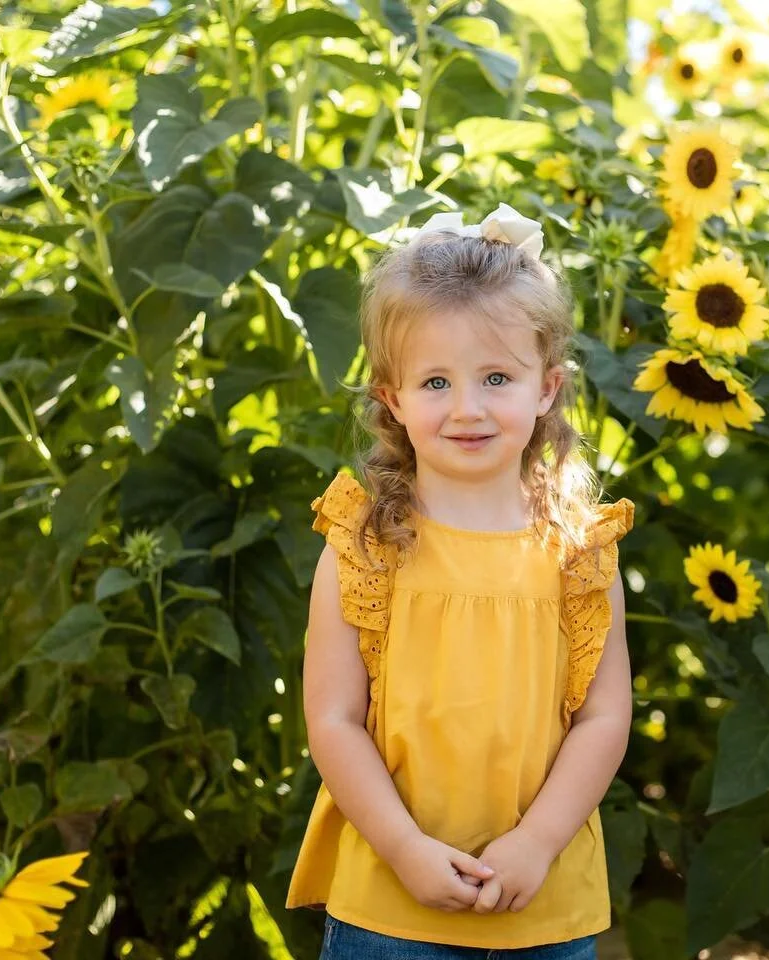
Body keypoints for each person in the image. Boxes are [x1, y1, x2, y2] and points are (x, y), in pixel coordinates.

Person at [284, 203, 636, 958]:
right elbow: (335, 720)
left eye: (497, 377)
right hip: (392, 904)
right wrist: (406, 849)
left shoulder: (580, 552)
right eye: (436, 381)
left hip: (544, 903)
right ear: (393, 399)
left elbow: (604, 718)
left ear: (546, 388)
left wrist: (537, 842)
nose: (467, 408)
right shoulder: (362, 546)